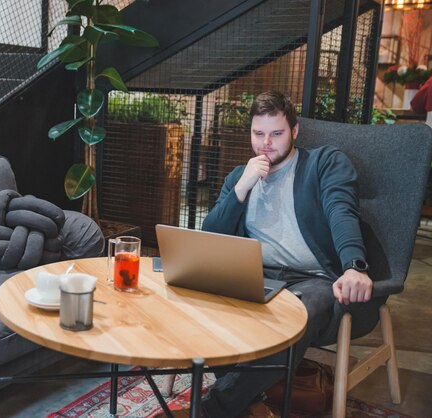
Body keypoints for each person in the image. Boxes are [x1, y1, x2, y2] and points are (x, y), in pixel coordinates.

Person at [159, 91, 373, 418]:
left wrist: (353, 265)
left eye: (277, 133)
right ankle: (250, 402)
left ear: (295, 131)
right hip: (256, 273)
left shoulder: (323, 163)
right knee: (200, 296)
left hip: (312, 280)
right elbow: (212, 237)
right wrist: (241, 189)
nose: (266, 144)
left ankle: (211, 410)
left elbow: (340, 211)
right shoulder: (239, 177)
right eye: (258, 134)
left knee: (298, 316)